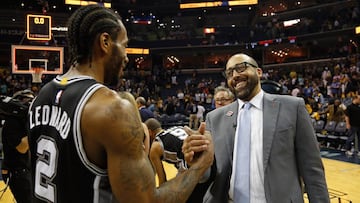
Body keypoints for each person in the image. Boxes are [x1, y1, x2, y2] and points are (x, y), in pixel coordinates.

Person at [27, 5, 213, 203]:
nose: (126, 57)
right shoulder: (113, 108)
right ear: (105, 42)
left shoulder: (40, 98)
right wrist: (198, 167)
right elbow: (147, 201)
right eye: (124, 45)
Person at [183, 53, 329, 203]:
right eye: (229, 73)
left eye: (240, 68)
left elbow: (312, 170)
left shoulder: (293, 107)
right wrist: (197, 164)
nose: (235, 76)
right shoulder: (215, 118)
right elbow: (209, 174)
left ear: (259, 72)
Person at [145, 118, 213, 203]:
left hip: (194, 166)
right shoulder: (174, 128)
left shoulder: (155, 147)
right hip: (209, 157)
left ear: (150, 132)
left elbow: (162, 180)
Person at [1, 89, 34, 203]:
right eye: (28, 99)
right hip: (16, 172)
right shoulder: (12, 122)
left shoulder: (24, 121)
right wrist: (35, 129)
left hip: (26, 170)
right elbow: (22, 148)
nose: (30, 102)